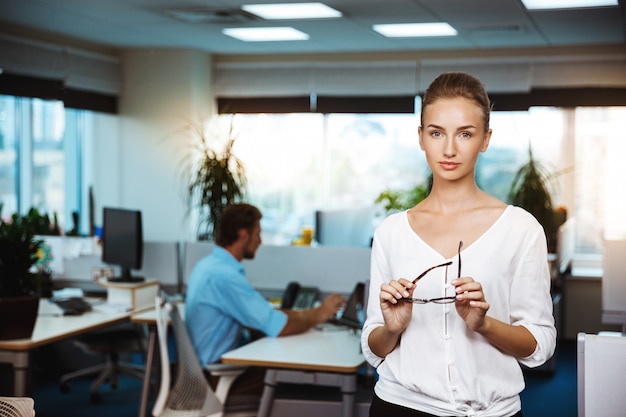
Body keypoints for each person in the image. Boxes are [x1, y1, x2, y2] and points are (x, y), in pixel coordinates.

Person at [361, 72, 556, 417]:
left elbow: (539, 345)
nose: (449, 149)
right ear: (421, 138)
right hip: (399, 406)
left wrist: (484, 324)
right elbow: (374, 347)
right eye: (436, 133)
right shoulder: (392, 232)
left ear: (485, 139)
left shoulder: (521, 229)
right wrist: (392, 327)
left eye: (465, 134)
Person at [185, 203, 345, 386]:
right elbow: (278, 326)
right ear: (243, 235)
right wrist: (318, 314)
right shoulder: (225, 277)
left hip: (205, 369)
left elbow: (268, 315)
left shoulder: (207, 266)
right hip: (218, 377)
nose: (260, 241)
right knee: (293, 379)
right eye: (257, 233)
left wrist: (306, 313)